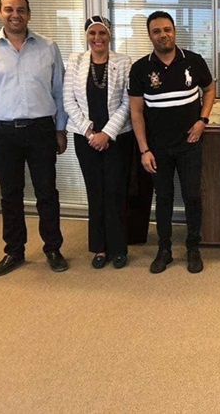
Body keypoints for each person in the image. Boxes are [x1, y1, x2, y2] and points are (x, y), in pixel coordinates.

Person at [0, 0, 69, 276]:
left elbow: (59, 92)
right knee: (10, 195)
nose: (15, 15)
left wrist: (60, 128)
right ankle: (14, 250)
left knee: (47, 192)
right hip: (3, 132)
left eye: (21, 10)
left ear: (29, 14)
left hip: (41, 130)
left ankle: (53, 248)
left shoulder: (48, 47)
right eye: (9, 9)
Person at [128, 11, 216, 274]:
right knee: (163, 197)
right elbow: (136, 112)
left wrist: (202, 120)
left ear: (175, 31)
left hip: (190, 143)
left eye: (167, 29)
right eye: (156, 31)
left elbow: (210, 89)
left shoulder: (194, 61)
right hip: (157, 148)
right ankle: (164, 249)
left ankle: (193, 248)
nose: (163, 35)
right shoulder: (140, 68)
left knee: (192, 196)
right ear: (150, 35)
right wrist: (144, 150)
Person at [63, 16, 133, 269]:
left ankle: (119, 247)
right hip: (85, 138)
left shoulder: (123, 62)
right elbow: (68, 100)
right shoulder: (75, 60)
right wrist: (90, 133)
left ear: (110, 35)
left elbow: (128, 102)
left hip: (118, 137)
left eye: (102, 33)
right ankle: (100, 248)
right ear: (86, 36)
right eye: (92, 33)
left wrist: (107, 133)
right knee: (95, 192)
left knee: (115, 192)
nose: (97, 38)